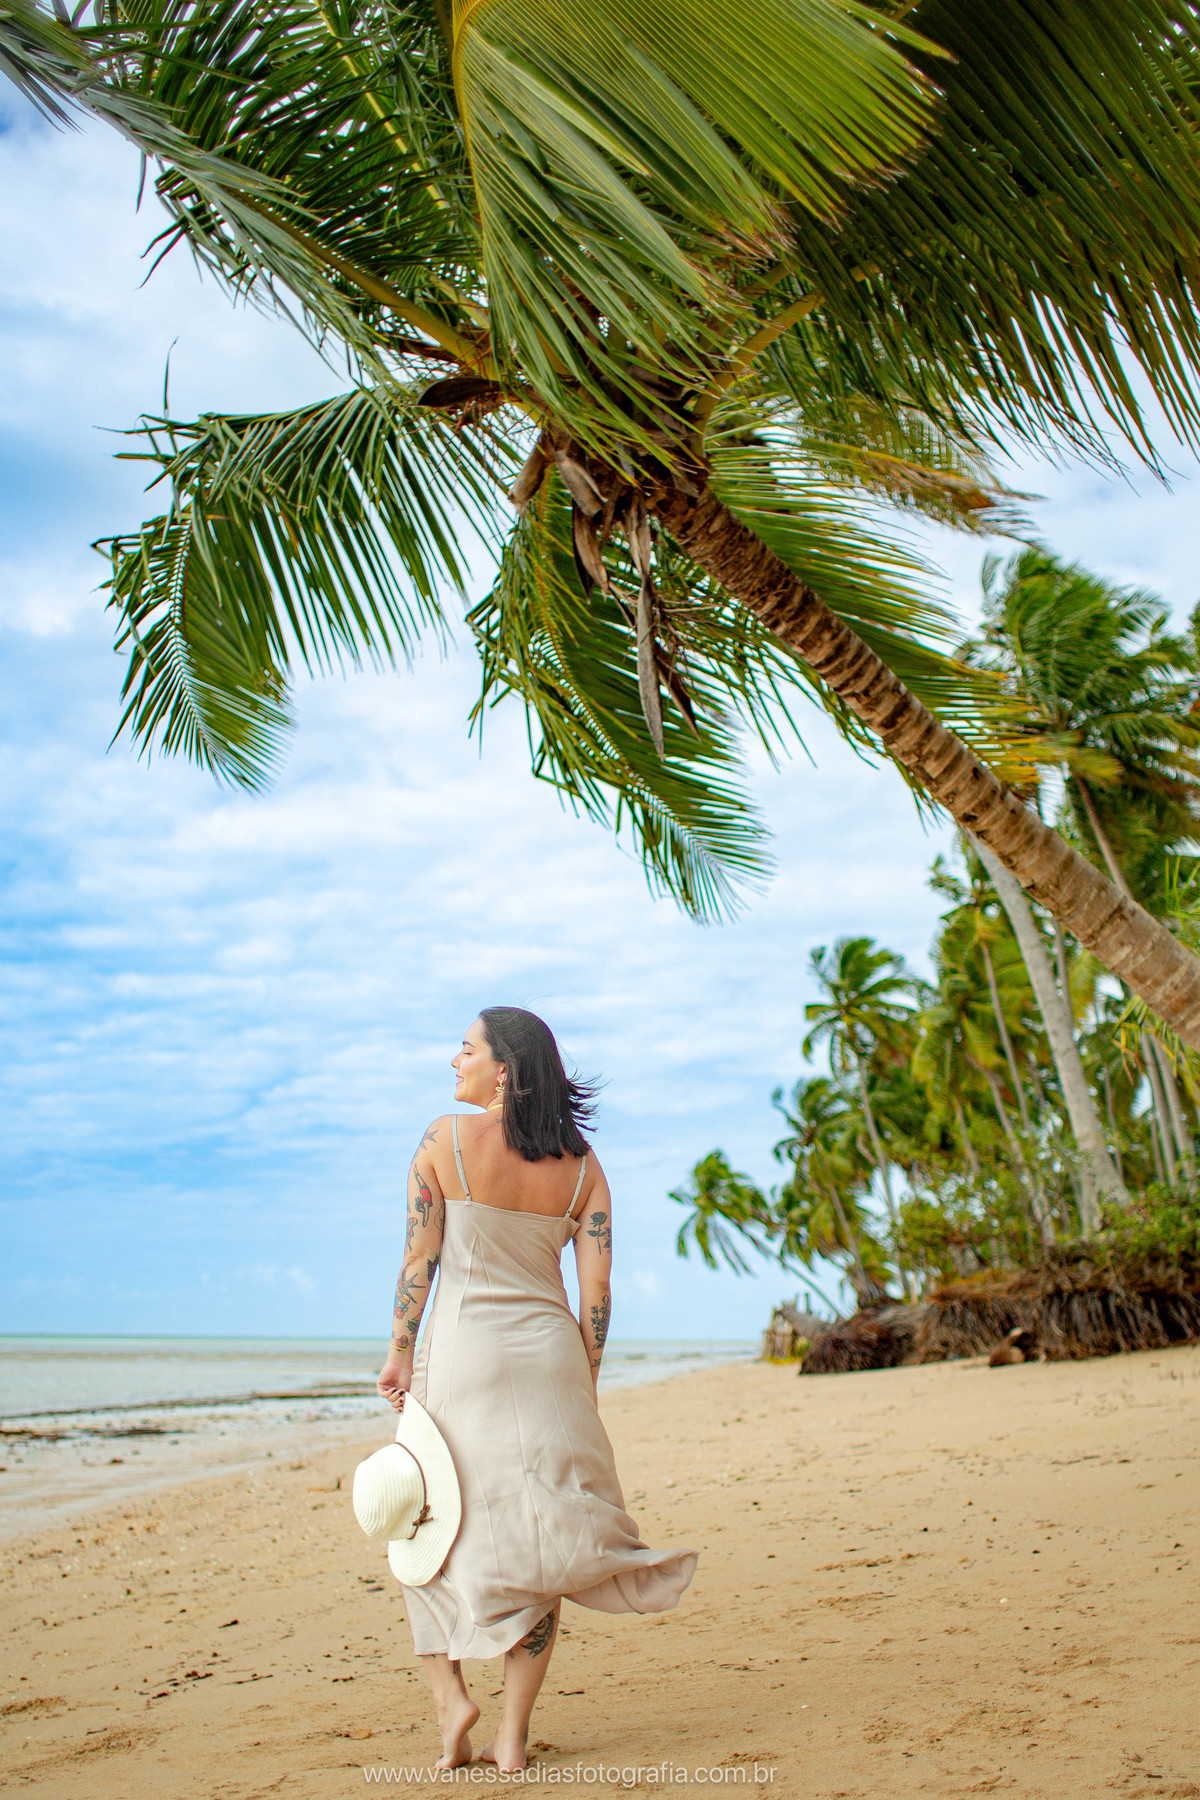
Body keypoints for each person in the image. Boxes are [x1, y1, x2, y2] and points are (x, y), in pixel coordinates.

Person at [376, 1007, 698, 1773]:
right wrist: (585, 1377)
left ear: (505, 1069)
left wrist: (397, 1355)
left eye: (466, 1049)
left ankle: (451, 1699)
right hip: (552, 1359)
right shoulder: (583, 1168)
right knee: (542, 1538)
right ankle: (513, 1738)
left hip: (465, 1355)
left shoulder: (443, 1140)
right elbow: (598, 1291)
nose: (453, 1060)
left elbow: (420, 1260)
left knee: (420, 1520)